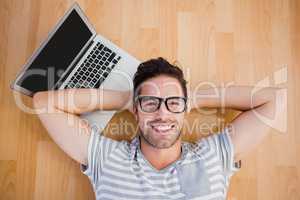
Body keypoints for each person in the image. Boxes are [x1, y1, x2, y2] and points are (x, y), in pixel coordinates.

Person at [33, 57, 285, 200]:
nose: (162, 114)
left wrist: (191, 99)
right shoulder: (107, 158)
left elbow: (274, 99)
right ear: (135, 110)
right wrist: (127, 99)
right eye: (150, 103)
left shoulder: (213, 156)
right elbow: (43, 103)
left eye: (173, 103)